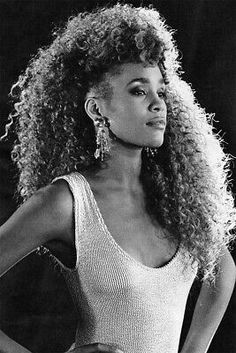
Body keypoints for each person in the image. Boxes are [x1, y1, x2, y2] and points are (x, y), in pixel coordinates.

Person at [0, 3, 235, 353]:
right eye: (139, 91)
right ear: (97, 109)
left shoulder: (175, 197)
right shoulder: (66, 202)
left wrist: (196, 347)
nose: (158, 104)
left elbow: (222, 268)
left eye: (161, 91)